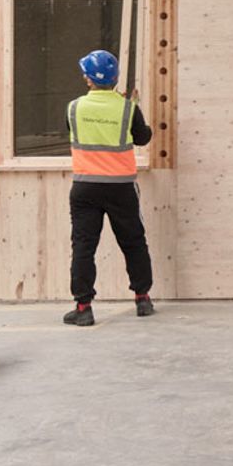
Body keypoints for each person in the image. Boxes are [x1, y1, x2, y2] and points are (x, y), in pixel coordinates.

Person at [64, 49, 156, 327]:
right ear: (115, 78)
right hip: (121, 188)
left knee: (83, 246)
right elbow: (142, 138)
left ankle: (83, 307)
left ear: (88, 79)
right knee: (133, 242)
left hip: (85, 188)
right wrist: (133, 108)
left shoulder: (74, 108)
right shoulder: (128, 108)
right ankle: (142, 298)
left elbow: (71, 131)